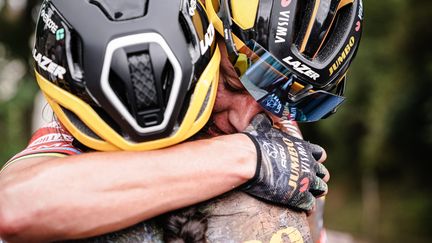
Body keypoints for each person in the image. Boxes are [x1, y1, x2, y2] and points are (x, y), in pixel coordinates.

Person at [0, 0, 363, 242]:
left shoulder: (276, 123)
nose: (245, 118)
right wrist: (244, 158)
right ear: (198, 36)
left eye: (285, 96)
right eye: (235, 81)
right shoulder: (119, 106)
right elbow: (14, 205)